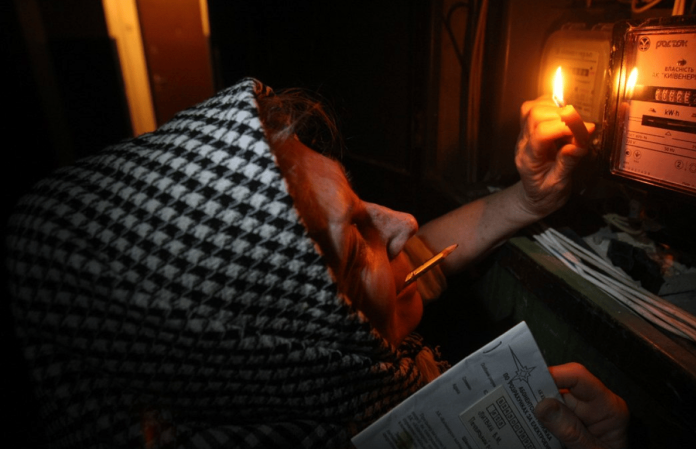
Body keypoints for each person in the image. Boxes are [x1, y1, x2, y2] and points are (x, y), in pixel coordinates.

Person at [6, 78, 627, 448]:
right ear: (294, 352)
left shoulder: (315, 365)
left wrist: (527, 201)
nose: (404, 222)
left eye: (358, 202)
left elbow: (415, 265)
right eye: (357, 241)